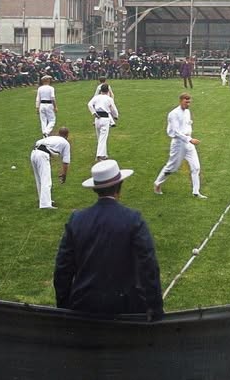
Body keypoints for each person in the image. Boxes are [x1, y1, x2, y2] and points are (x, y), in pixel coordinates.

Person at [53, 159, 164, 319]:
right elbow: (149, 266)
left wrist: (63, 306)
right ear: (120, 185)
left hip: (83, 305)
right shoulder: (133, 219)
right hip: (126, 308)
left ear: (95, 189)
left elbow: (63, 268)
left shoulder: (76, 220)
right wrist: (155, 308)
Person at [154, 93, 206, 199]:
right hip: (178, 143)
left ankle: (196, 192)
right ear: (181, 100)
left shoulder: (187, 112)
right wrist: (190, 139)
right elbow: (176, 132)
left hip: (188, 143)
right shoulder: (173, 114)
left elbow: (187, 124)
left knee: (196, 167)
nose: (188, 104)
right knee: (172, 167)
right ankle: (157, 183)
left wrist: (189, 136)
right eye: (186, 102)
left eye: (189, 102)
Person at [31, 127, 71, 210]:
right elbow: (66, 162)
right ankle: (45, 204)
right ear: (67, 135)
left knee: (39, 179)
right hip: (42, 155)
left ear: (58, 133)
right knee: (46, 180)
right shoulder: (65, 143)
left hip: (34, 152)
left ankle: (43, 200)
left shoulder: (52, 137)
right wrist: (64, 175)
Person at [87, 84, 118, 161]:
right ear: (108, 91)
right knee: (103, 138)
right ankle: (100, 155)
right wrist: (116, 116)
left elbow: (89, 104)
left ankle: (104, 154)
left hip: (97, 119)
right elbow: (113, 109)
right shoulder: (109, 99)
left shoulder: (96, 97)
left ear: (101, 90)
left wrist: (94, 113)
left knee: (99, 137)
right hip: (105, 119)